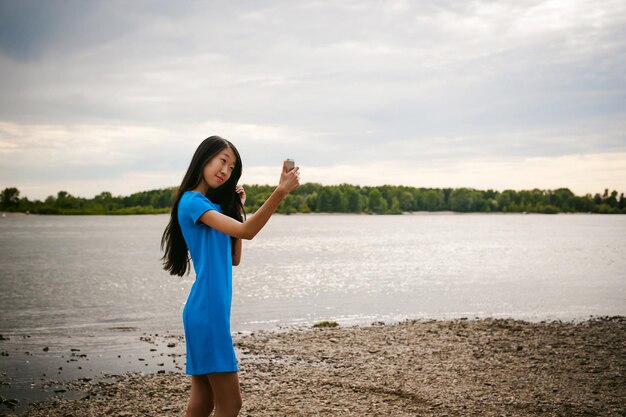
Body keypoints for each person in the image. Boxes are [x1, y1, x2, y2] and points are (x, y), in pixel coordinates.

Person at [160, 136, 300, 417]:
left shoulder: (211, 208)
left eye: (231, 167)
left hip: (206, 311)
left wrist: (237, 207)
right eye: (222, 160)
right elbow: (247, 232)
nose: (225, 170)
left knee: (203, 402)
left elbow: (234, 258)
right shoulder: (193, 203)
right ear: (204, 158)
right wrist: (280, 192)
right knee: (230, 404)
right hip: (207, 312)